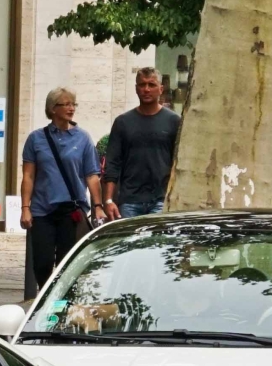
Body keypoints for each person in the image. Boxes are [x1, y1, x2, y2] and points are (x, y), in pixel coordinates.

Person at [20, 87, 101, 295]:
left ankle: (63, 302)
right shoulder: (36, 139)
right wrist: (25, 208)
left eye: (73, 104)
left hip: (71, 211)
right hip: (42, 210)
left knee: (67, 264)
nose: (71, 108)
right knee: (42, 262)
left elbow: (92, 175)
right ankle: (45, 295)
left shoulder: (83, 138)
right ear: (52, 108)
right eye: (65, 104)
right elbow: (28, 176)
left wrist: (98, 206)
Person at [101, 67, 179, 218]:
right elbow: (112, 164)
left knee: (159, 242)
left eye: (151, 85)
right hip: (130, 200)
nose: (146, 89)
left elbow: (179, 162)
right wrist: (108, 200)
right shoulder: (123, 122)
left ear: (161, 89)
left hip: (161, 199)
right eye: (142, 85)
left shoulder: (173, 121)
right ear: (136, 89)